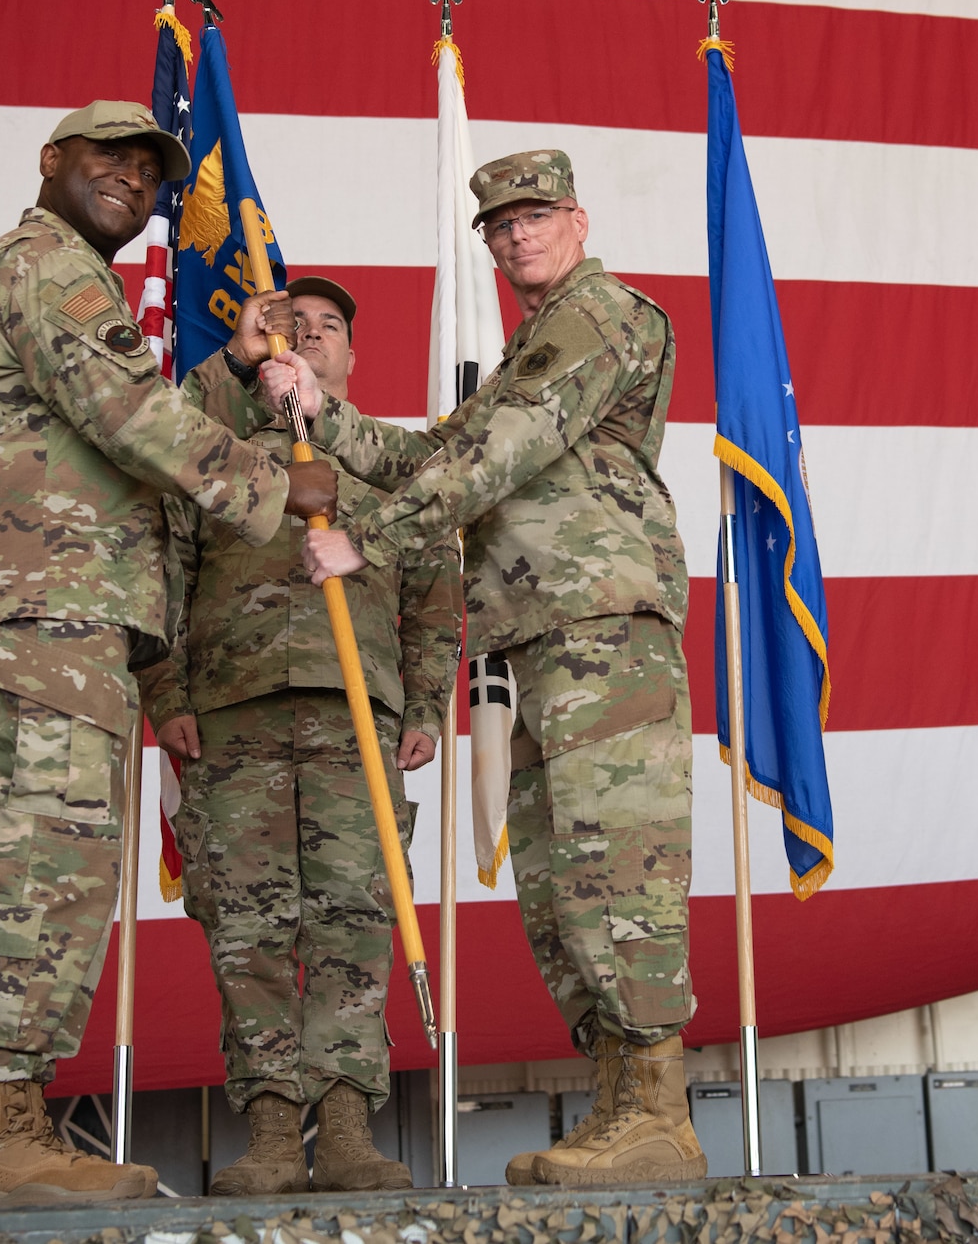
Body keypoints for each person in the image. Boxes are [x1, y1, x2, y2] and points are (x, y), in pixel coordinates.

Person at [0, 100, 336, 1208]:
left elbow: (118, 447)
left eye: (148, 170)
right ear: (51, 163)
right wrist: (268, 478)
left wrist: (232, 380)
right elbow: (125, 415)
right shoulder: (45, 264)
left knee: (63, 851)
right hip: (34, 596)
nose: (131, 182)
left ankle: (7, 1114)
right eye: (107, 158)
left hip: (63, 601)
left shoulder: (64, 276)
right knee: (41, 848)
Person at [265, 150, 704, 1186]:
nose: (514, 238)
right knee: (561, 881)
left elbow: (498, 451)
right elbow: (438, 450)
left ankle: (657, 1113)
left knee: (618, 873)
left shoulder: (602, 317)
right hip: (537, 637)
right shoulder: (527, 347)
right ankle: (618, 1104)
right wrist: (323, 414)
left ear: (578, 220)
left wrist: (364, 536)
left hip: (601, 626)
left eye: (534, 216)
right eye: (497, 226)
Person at [139, 275, 463, 1194]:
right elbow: (162, 571)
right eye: (295, 325)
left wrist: (428, 707)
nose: (311, 338)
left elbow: (435, 597)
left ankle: (350, 1127)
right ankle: (275, 1131)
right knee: (246, 927)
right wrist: (168, 696)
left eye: (328, 329)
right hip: (232, 716)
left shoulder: (390, 463)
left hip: (355, 717)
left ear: (351, 358)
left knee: (355, 921)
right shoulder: (215, 455)